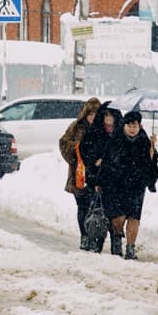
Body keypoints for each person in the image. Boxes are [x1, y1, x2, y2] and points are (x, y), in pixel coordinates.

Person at [95, 110, 158, 259]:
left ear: (139, 126)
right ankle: (117, 239)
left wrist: (152, 151)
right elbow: (106, 161)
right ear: (124, 125)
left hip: (136, 186)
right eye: (129, 125)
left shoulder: (144, 141)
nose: (132, 129)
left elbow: (151, 166)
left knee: (133, 217)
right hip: (115, 185)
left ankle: (130, 248)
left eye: (135, 126)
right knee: (118, 217)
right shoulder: (115, 139)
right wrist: (99, 181)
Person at [58, 97, 104, 249]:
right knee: (82, 207)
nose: (93, 117)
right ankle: (84, 236)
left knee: (96, 207)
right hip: (79, 174)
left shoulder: (103, 129)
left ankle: (94, 237)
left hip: (97, 174)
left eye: (96, 114)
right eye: (90, 114)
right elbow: (63, 143)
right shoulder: (76, 127)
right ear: (85, 114)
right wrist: (77, 149)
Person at [81, 105, 123, 253]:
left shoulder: (120, 133)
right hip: (97, 177)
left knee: (116, 214)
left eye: (111, 115)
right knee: (98, 211)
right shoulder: (94, 132)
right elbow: (84, 150)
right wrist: (94, 162)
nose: (108, 119)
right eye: (106, 115)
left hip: (117, 180)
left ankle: (116, 243)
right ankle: (96, 242)